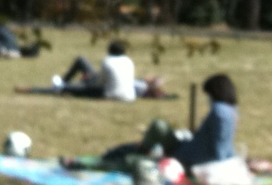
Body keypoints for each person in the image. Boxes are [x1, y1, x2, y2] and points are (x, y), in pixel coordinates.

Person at [79, 73, 240, 175]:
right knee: (159, 127)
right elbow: (218, 142)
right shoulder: (230, 110)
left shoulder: (218, 112)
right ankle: (139, 149)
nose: (208, 98)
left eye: (208, 94)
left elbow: (218, 148)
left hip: (187, 158)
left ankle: (107, 160)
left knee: (134, 159)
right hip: (187, 147)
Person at [54, 40, 136, 101]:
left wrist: (87, 81)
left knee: (77, 88)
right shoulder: (129, 61)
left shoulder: (108, 61)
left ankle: (62, 85)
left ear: (110, 51)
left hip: (109, 94)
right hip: (130, 97)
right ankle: (64, 84)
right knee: (84, 70)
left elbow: (99, 83)